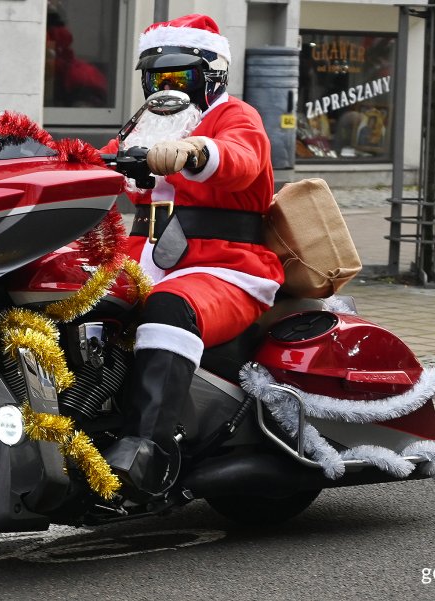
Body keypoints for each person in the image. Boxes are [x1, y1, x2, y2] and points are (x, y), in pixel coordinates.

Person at [100, 14, 285, 496]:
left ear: (210, 76)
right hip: (142, 259)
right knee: (69, 298)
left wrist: (195, 152)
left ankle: (147, 449)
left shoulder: (234, 116)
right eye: (156, 77)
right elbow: (89, 165)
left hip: (225, 266)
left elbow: (241, 159)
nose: (166, 88)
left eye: (178, 77)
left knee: (170, 307)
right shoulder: (140, 127)